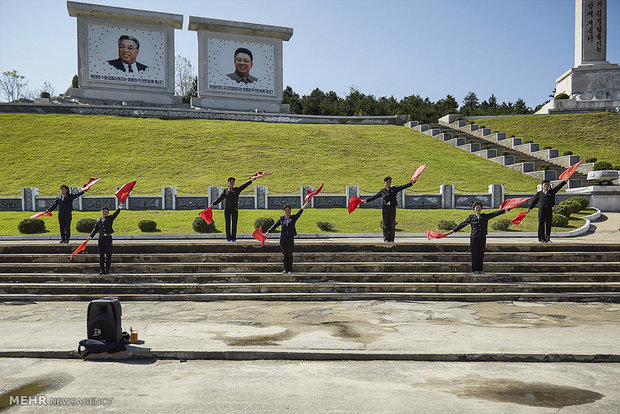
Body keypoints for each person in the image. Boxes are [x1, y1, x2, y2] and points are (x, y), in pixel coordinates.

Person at [448, 201, 512, 274]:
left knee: (481, 254)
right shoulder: (471, 217)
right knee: (474, 254)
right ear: (474, 209)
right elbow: (462, 224)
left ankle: (480, 269)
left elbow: (494, 214)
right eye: (476, 207)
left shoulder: (484, 216)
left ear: (481, 209)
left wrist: (504, 210)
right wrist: (453, 230)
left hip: (482, 237)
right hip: (474, 237)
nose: (478, 209)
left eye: (479, 207)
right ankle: (474, 269)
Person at [361, 176, 416, 243]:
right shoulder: (382, 191)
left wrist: (411, 183)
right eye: (387, 182)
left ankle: (392, 239)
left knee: (392, 224)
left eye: (389, 182)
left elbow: (403, 187)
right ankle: (386, 239)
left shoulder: (394, 189)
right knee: (385, 224)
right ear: (384, 183)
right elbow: (375, 196)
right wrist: (366, 200)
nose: (388, 183)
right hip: (385, 208)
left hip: (392, 208)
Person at [263, 201, 310, 273]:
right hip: (283, 239)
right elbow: (275, 225)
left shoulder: (293, 218)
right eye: (286, 210)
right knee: (284, 254)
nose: (287, 211)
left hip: (290, 238)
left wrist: (305, 204)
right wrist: (268, 232)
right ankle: (285, 269)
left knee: (289, 254)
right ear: (283, 211)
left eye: (288, 210)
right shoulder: (282, 219)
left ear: (290, 211)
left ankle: (290, 270)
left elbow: (300, 212)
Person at [209, 177, 254, 242]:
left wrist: (251, 180)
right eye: (231, 182)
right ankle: (228, 238)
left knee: (234, 224)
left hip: (234, 209)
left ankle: (233, 238)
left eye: (233, 182)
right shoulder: (225, 191)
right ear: (228, 183)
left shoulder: (236, 190)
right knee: (227, 223)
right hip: (227, 209)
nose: (232, 183)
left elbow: (244, 186)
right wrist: (213, 204)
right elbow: (220, 198)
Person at [527, 179, 567, 243]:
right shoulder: (539, 194)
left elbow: (558, 187)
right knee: (541, 224)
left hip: (549, 210)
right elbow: (534, 202)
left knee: (548, 224)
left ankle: (547, 238)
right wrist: (529, 209)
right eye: (545, 184)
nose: (546, 186)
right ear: (542, 186)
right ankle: (541, 239)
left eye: (548, 184)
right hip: (541, 211)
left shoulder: (552, 192)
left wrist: (565, 181)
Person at [87, 203, 124, 275]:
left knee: (108, 255)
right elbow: (95, 229)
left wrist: (120, 207)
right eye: (103, 211)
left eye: (106, 212)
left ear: (108, 213)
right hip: (101, 238)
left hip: (108, 238)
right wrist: (91, 236)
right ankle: (101, 270)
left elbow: (116, 213)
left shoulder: (110, 218)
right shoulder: (98, 220)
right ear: (101, 212)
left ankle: (107, 269)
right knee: (101, 255)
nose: (104, 213)